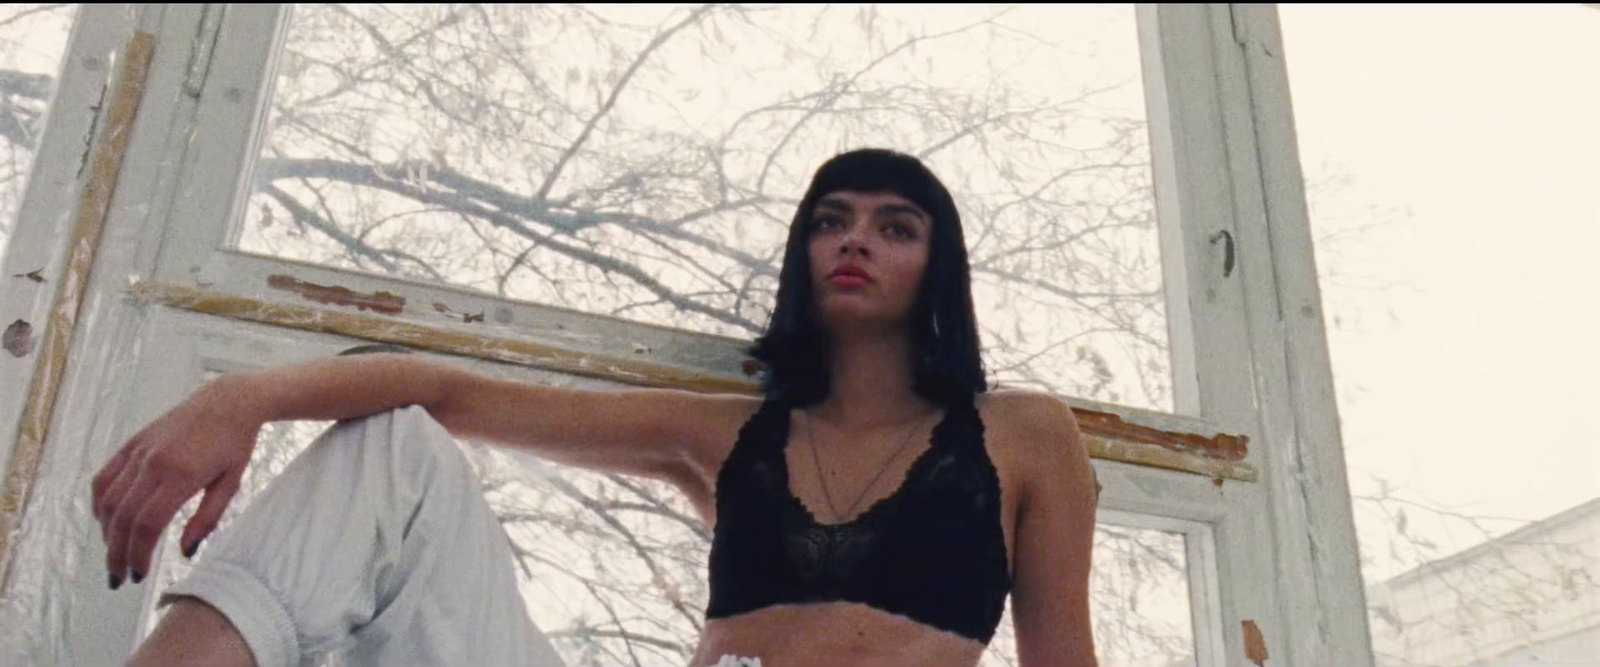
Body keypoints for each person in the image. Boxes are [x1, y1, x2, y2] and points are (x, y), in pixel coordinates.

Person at [91, 148, 1099, 667]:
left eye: (895, 225)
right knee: (393, 449)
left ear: (938, 264)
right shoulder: (727, 434)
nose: (855, 240)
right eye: (831, 220)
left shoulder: (1019, 434)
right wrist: (243, 397)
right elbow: (446, 391)